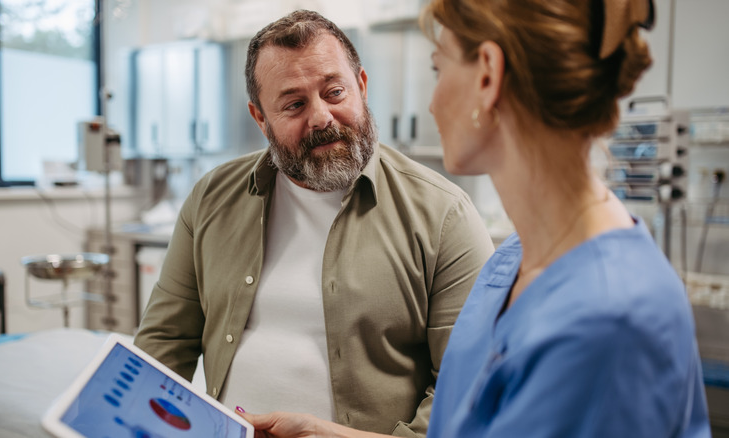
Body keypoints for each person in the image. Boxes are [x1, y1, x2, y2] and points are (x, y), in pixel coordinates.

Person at [237, 0, 711, 437]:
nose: (432, 101)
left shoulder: (610, 321)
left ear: (487, 76)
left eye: (439, 68)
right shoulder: (512, 264)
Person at [133, 9, 495, 438]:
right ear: (260, 118)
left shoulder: (443, 215)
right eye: (294, 104)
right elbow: (163, 346)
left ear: (361, 86)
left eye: (335, 92)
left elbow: (468, 390)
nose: (321, 117)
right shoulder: (211, 198)